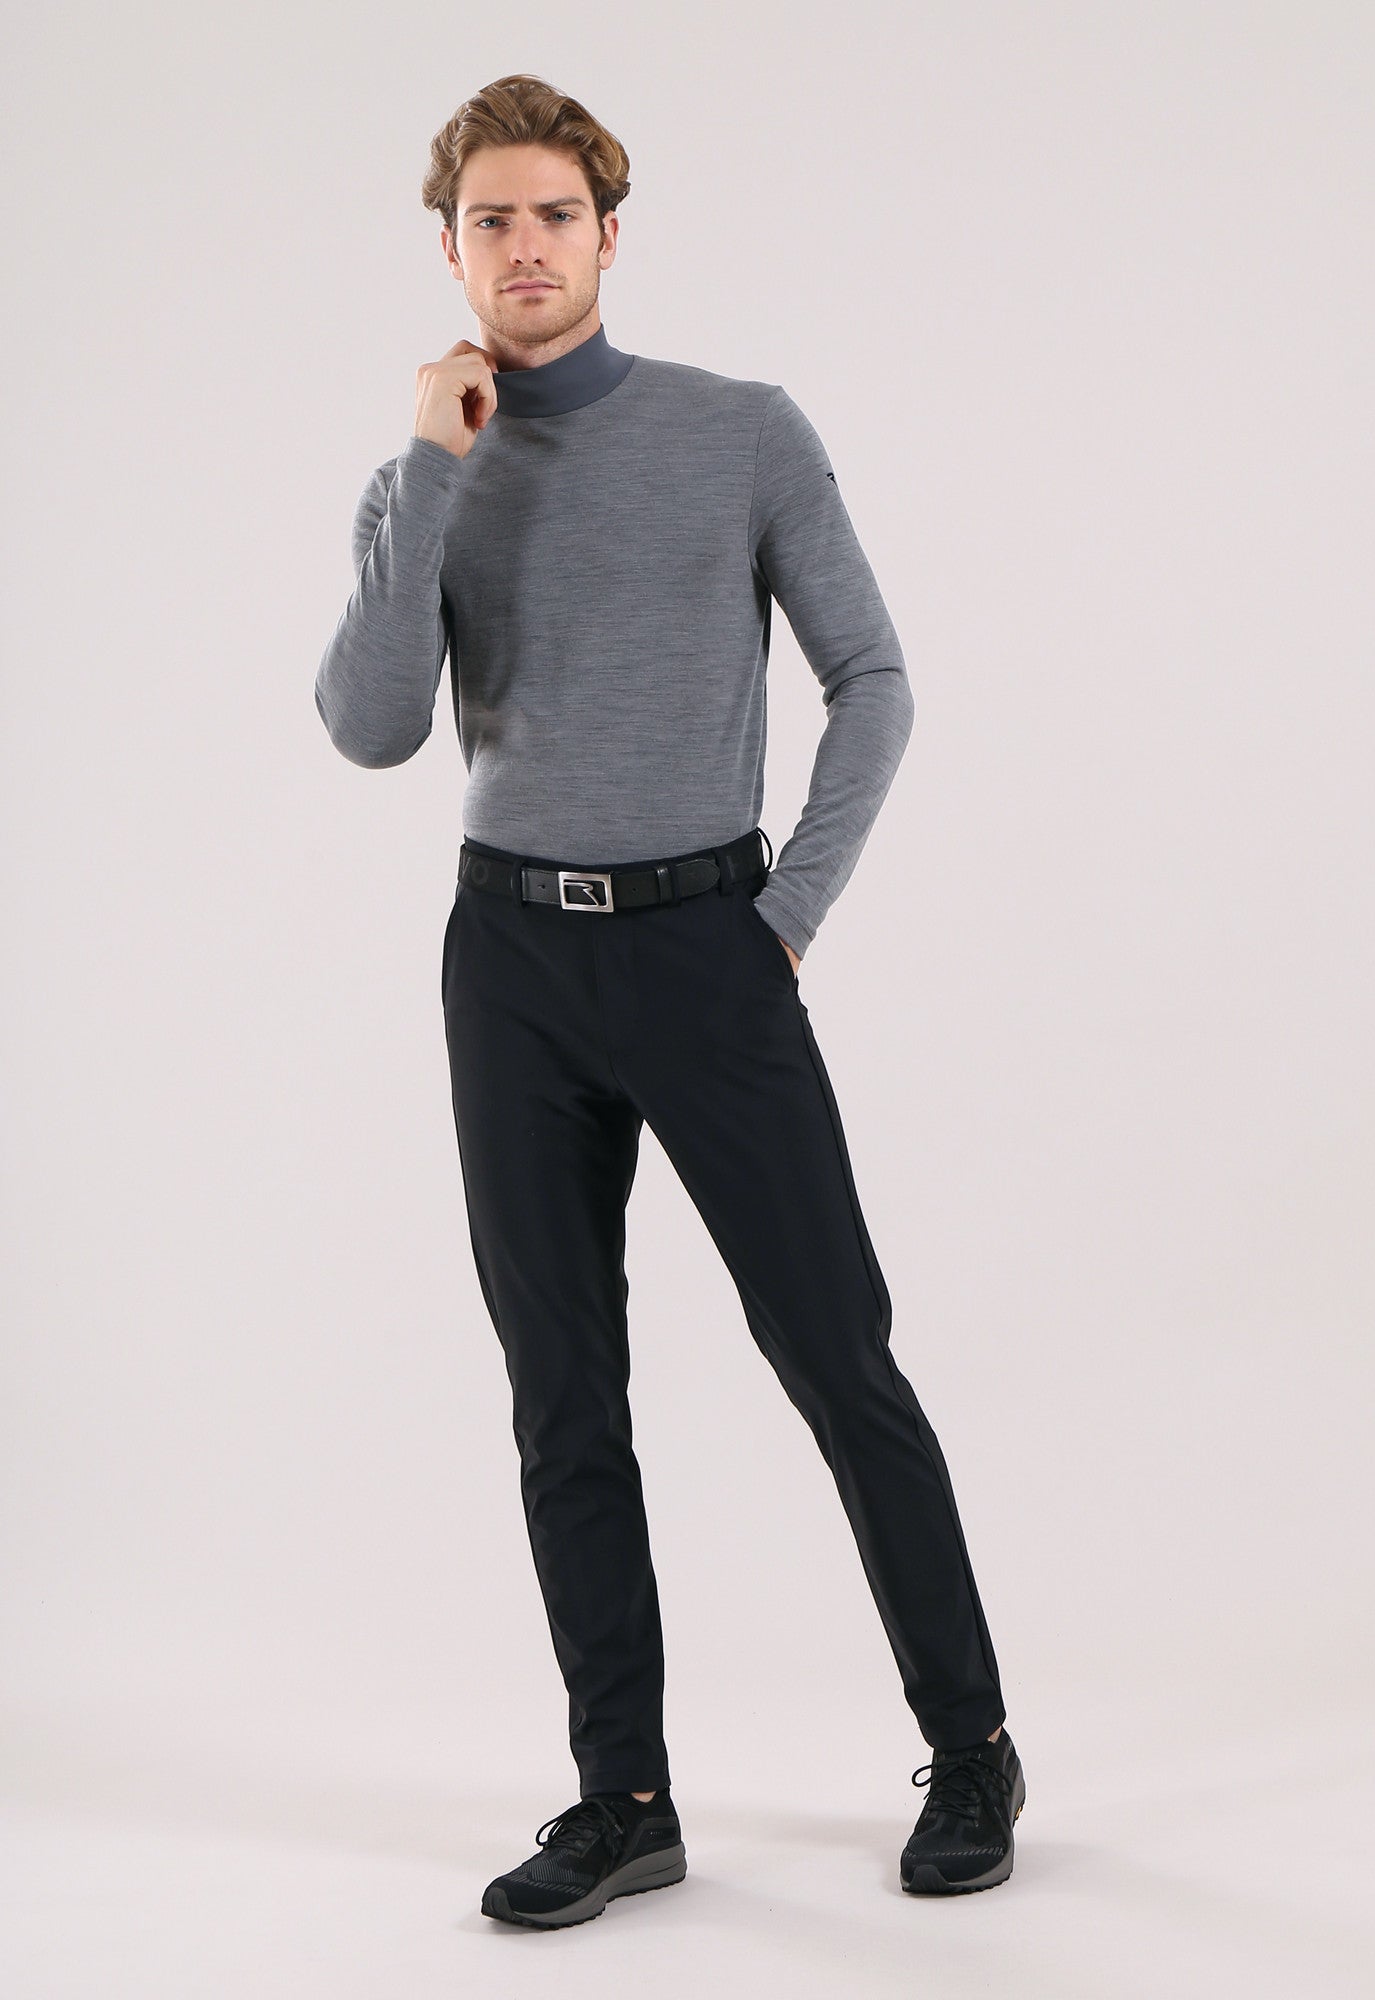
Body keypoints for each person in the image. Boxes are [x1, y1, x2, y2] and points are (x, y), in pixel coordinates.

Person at [315, 71, 1024, 1930]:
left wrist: (785, 919)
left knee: (836, 1353)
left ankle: (972, 1743)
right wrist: (428, 465)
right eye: (490, 220)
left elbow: (873, 678)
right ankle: (622, 1798)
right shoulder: (424, 473)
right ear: (449, 247)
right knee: (563, 1391)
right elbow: (371, 729)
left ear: (609, 237)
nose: (524, 247)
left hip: (712, 945)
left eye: (554, 215)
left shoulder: (740, 432)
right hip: (510, 966)